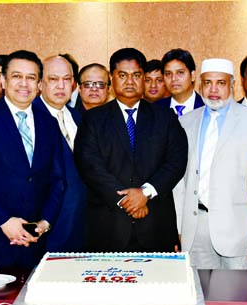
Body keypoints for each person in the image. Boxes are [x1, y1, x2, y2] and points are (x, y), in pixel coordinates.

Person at [0, 50, 65, 268]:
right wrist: (4, 221)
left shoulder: (49, 124)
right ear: (4, 81)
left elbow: (57, 181)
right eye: (17, 76)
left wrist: (44, 223)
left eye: (31, 77)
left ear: (39, 85)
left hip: (33, 242)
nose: (24, 84)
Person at [74, 47, 188, 252]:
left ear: (144, 77)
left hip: (155, 225)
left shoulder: (166, 118)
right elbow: (89, 165)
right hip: (108, 227)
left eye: (136, 75)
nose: (129, 81)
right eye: (122, 75)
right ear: (112, 78)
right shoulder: (93, 119)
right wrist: (127, 200)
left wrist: (145, 193)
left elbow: (176, 162)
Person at [174, 58, 247, 269]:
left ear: (232, 84)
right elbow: (180, 182)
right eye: (208, 83)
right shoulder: (185, 122)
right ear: (200, 85)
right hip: (195, 229)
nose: (213, 89)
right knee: (202, 297)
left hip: (239, 230)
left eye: (221, 83)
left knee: (240, 299)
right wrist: (179, 226)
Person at [36, 55, 86, 252]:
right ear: (40, 84)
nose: (61, 86)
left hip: (80, 228)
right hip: (46, 230)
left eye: (66, 79)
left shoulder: (79, 118)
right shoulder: (30, 119)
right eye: (53, 79)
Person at [156, 48, 204, 116]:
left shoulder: (207, 107)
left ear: (192, 76)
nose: (173, 78)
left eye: (180, 72)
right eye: (168, 74)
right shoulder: (155, 110)